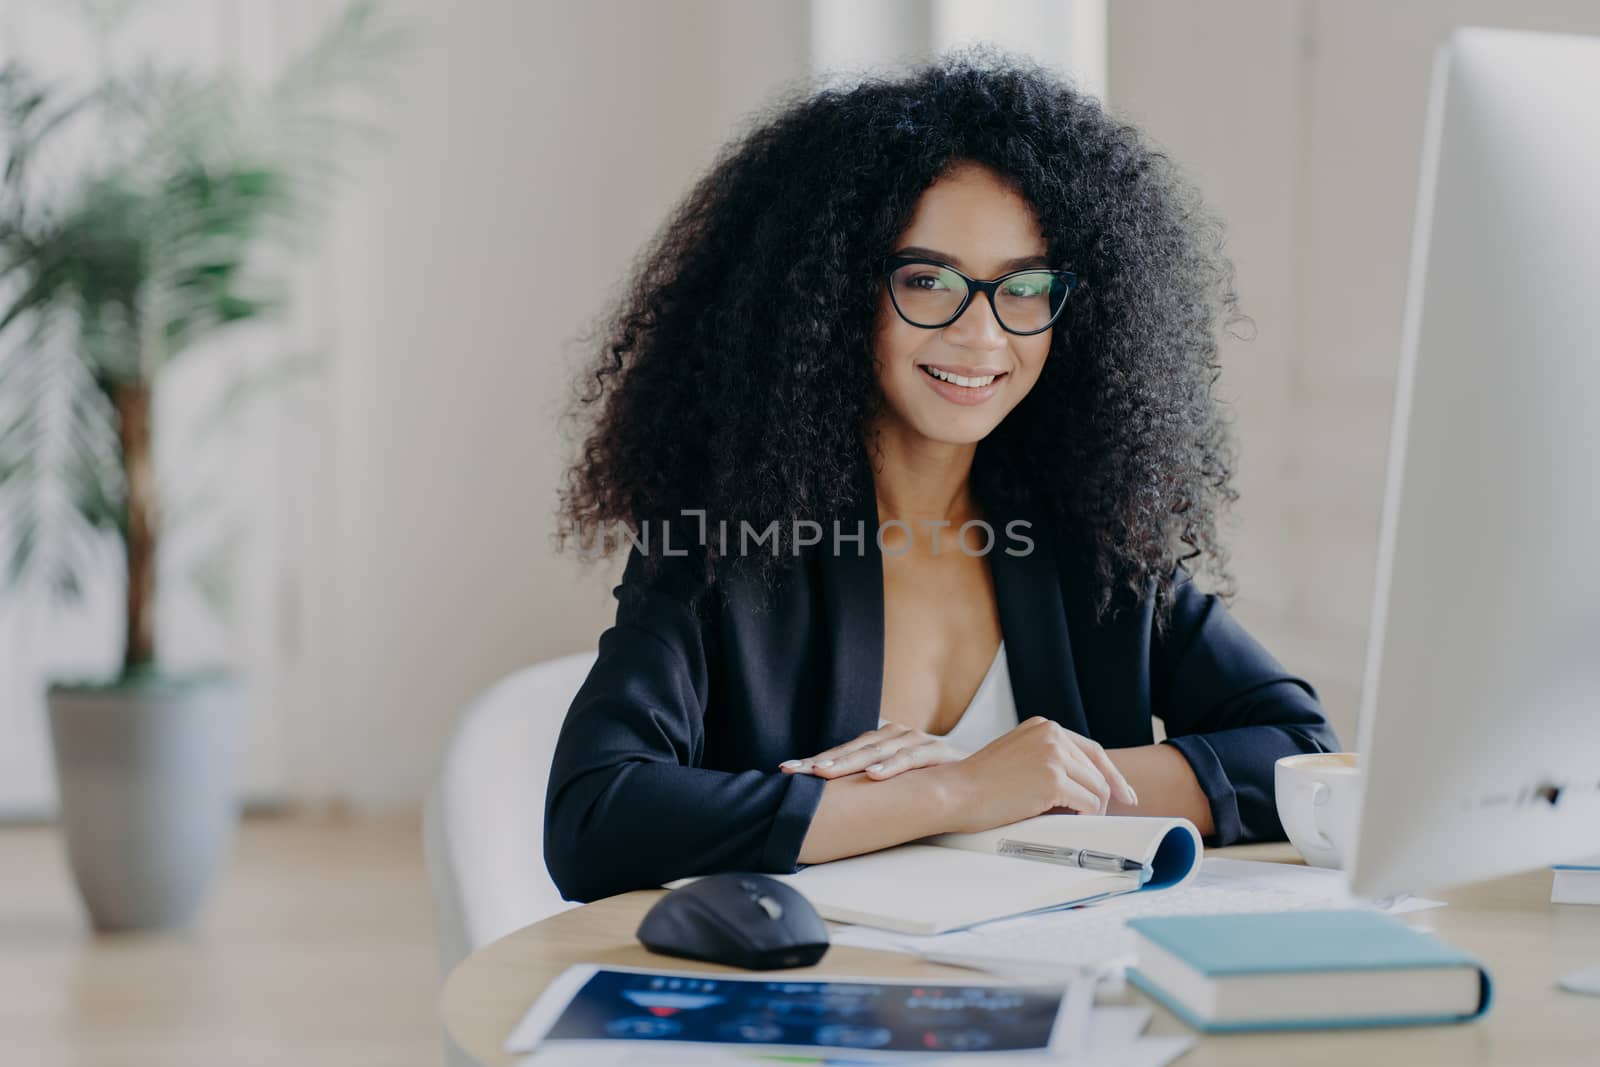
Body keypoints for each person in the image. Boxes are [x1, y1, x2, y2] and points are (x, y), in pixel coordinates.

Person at [544, 51, 1338, 904]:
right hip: (820, 1006)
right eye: (928, 279)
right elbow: (596, 819)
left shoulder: (1093, 536)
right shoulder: (725, 536)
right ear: (840, 293)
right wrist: (953, 794)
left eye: (1023, 287)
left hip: (1064, 991)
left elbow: (1301, 756)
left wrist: (1027, 780)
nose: (983, 335)